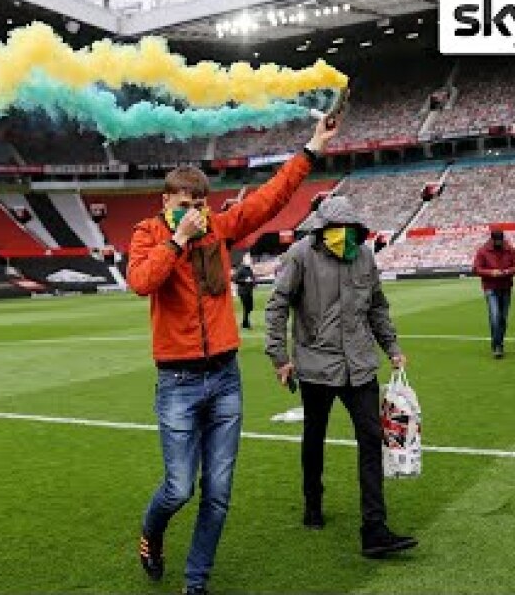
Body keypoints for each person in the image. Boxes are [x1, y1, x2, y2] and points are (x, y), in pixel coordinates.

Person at [128, 114, 340, 595]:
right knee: (179, 488)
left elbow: (270, 198)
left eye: (200, 206)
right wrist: (177, 241)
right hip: (178, 383)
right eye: (185, 206)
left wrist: (311, 147)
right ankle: (152, 535)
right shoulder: (147, 234)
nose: (195, 215)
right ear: (166, 202)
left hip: (224, 377)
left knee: (218, 495)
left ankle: (196, 582)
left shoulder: (219, 230)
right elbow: (143, 282)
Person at [264, 195, 418, 560]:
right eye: (336, 230)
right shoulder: (300, 255)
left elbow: (377, 305)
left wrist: (391, 347)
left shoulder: (364, 256)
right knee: (314, 436)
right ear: (322, 229)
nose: (343, 237)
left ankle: (375, 529)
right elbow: (277, 305)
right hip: (316, 365)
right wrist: (279, 357)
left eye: (349, 230)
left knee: (371, 438)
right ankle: (312, 502)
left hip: (360, 364)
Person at [472, 229, 515, 359]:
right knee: (494, 316)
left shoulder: (509, 249)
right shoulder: (483, 251)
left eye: (501, 240)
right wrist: (491, 272)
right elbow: (476, 269)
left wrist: (505, 272)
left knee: (503, 318)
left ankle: (500, 343)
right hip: (490, 288)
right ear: (492, 240)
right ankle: (497, 346)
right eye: (497, 241)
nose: (499, 243)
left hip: (505, 287)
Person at [234, 254, 256, 330]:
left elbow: (252, 278)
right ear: (244, 260)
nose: (250, 261)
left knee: (250, 307)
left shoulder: (249, 269)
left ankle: (244, 322)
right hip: (243, 292)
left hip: (249, 291)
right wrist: (245, 281)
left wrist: (253, 283)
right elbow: (235, 279)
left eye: (250, 259)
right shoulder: (241, 269)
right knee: (246, 307)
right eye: (248, 259)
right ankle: (245, 323)